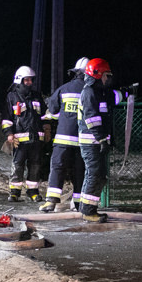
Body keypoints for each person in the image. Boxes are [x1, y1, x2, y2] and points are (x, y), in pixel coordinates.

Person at [39, 57, 89, 212]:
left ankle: (51, 202)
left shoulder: (64, 88)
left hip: (63, 139)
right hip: (83, 140)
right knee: (79, 171)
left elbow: (53, 110)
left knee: (57, 168)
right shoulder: (92, 91)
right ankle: (79, 204)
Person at [2, 65, 48, 202]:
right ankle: (15, 192)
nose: (29, 83)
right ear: (20, 80)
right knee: (17, 166)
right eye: (26, 80)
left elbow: (44, 115)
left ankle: (32, 191)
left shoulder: (36, 96)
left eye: (31, 80)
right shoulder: (11, 96)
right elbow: (6, 118)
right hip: (19, 140)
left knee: (35, 166)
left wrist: (47, 128)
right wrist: (9, 134)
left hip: (36, 139)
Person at [77, 58, 115, 223]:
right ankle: (87, 210)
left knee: (100, 176)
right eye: (106, 75)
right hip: (91, 142)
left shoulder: (100, 93)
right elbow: (92, 119)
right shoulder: (89, 92)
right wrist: (101, 140)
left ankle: (90, 208)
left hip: (97, 141)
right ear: (97, 74)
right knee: (94, 174)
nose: (108, 78)